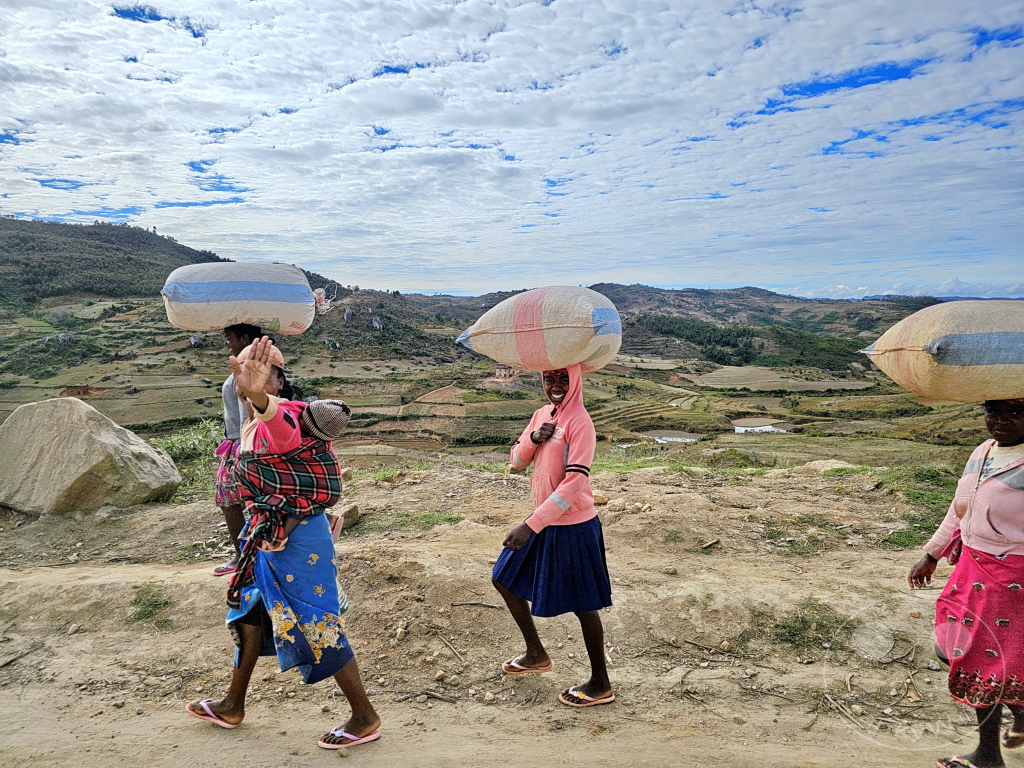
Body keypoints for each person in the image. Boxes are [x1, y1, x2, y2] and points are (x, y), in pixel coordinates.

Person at [187, 337, 380, 751]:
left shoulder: (284, 420)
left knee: (318, 622)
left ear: (277, 382)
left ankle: (364, 716)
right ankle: (232, 704)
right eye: (242, 370)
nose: (246, 376)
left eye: (262, 372)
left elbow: (278, 427)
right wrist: (252, 394)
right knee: (249, 612)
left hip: (297, 541)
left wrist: (258, 394)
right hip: (267, 534)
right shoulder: (253, 422)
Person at [908, 399, 1024, 768]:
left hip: (1013, 579)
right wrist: (932, 553)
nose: (1001, 420)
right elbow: (960, 508)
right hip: (971, 571)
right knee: (954, 648)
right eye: (994, 410)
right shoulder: (983, 451)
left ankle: (988, 756)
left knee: (992, 662)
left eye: (1016, 412)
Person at [491, 365, 614, 708]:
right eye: (549, 379)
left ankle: (600, 684)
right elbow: (516, 461)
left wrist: (531, 524)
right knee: (503, 578)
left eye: (563, 379)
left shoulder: (580, 423)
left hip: (572, 526)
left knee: (584, 604)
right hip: (544, 522)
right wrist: (534, 438)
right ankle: (536, 654)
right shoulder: (542, 415)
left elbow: (574, 484)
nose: (556, 386)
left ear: (575, 381)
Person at [213, 323, 261, 577]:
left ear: (244, 338)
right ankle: (250, 554)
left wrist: (244, 452)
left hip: (240, 446)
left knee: (230, 501)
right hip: (240, 444)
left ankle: (242, 556)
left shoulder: (245, 373)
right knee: (249, 501)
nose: (227, 344)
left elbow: (247, 417)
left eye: (229, 338)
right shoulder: (251, 369)